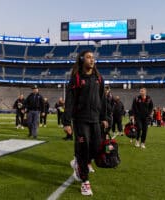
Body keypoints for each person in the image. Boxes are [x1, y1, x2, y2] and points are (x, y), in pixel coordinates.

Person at [62, 50, 108, 196]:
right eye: (88, 57)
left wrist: (104, 118)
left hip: (95, 120)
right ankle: (85, 182)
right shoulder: (76, 78)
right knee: (83, 148)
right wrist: (67, 121)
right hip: (80, 120)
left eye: (93, 57)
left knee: (95, 149)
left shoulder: (99, 78)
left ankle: (78, 162)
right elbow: (70, 101)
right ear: (82, 60)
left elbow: (103, 100)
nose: (92, 60)